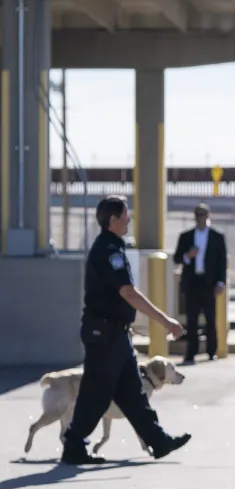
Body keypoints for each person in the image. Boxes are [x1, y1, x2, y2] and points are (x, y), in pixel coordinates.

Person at [60, 196, 191, 466]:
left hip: (116, 335)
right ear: (113, 220)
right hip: (105, 335)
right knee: (95, 394)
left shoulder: (113, 247)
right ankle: (74, 446)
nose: (129, 220)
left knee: (133, 394)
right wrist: (165, 321)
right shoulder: (108, 251)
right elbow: (128, 293)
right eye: (125, 215)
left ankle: (158, 441)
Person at [172, 203, 228, 364]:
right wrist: (188, 256)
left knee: (210, 318)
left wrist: (220, 282)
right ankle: (191, 353)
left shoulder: (217, 237)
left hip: (209, 282)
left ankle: (212, 351)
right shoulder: (186, 236)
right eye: (198, 216)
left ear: (208, 217)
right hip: (192, 282)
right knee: (192, 319)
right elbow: (177, 258)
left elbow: (222, 262)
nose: (201, 219)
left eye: (203, 215)